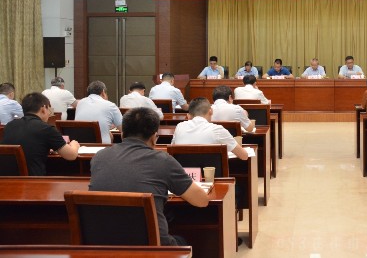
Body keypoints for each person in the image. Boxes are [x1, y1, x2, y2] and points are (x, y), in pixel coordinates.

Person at [89, 107, 210, 246]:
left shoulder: (99, 157)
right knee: (185, 241)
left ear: (122, 135)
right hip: (152, 247)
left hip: (103, 244)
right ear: (154, 137)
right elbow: (201, 201)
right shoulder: (163, 160)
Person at [1, 92, 79, 175]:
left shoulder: (9, 126)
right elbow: (71, 156)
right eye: (49, 109)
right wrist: (74, 144)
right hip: (34, 179)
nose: (49, 113)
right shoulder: (46, 129)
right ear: (43, 109)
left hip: (6, 178)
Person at [172, 97, 248, 159]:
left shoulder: (179, 127)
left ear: (189, 116)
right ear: (211, 111)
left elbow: (172, 152)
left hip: (184, 173)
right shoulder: (217, 130)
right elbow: (244, 156)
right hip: (212, 173)